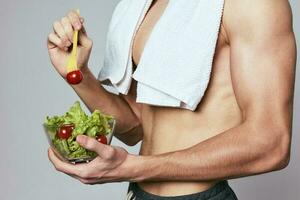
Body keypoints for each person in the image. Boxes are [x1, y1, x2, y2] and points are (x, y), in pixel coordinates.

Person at [46, 0, 296, 199]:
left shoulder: (252, 3)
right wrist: (77, 74)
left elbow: (271, 142)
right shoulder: (143, 6)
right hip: (138, 193)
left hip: (198, 196)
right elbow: (136, 125)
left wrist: (137, 167)